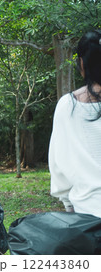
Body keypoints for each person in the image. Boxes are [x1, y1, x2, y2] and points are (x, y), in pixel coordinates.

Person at [49, 30, 101, 218]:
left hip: (86, 215)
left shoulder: (68, 105)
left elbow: (58, 163)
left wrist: (67, 203)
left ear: (82, 63)